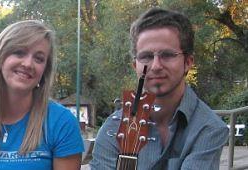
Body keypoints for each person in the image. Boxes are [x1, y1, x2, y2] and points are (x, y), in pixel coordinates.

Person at [90, 8, 229, 170]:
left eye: (167, 55)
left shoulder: (209, 128)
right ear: (135, 66)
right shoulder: (113, 129)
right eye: (146, 56)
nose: (156, 66)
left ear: (188, 62)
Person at [0, 20, 84, 170]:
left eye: (39, 59)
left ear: (45, 70)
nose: (28, 64)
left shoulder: (62, 122)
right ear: (0, 57)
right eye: (19, 52)